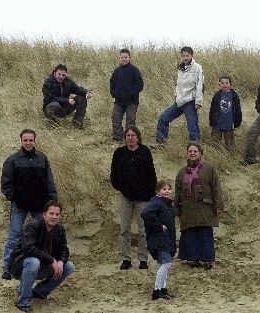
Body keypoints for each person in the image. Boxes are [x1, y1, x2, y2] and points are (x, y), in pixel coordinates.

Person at [0, 129, 58, 280]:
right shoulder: (13, 160)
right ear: (21, 141)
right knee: (15, 236)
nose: (28, 143)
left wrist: (52, 200)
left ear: (34, 140)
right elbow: (6, 183)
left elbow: (49, 181)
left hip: (40, 205)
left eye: (30, 140)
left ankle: (46, 265)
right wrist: (13, 197)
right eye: (25, 140)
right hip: (20, 205)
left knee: (44, 235)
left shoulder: (42, 158)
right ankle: (7, 268)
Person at [8, 200, 74, 312]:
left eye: (57, 214)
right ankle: (23, 301)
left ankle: (39, 292)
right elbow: (29, 249)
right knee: (34, 262)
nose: (54, 217)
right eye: (51, 213)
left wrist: (61, 262)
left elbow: (64, 249)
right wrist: (52, 260)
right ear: (44, 214)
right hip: (21, 266)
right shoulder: (33, 226)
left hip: (43, 266)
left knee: (69, 266)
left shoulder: (60, 229)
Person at [110, 125, 157, 270]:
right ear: (125, 138)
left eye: (133, 135)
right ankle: (126, 259)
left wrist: (149, 193)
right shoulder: (119, 153)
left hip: (143, 198)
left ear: (138, 137)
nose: (130, 138)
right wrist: (119, 187)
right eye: (128, 136)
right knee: (125, 229)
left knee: (143, 230)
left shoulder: (145, 151)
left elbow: (151, 175)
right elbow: (114, 174)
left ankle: (143, 259)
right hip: (125, 196)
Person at [175, 142, 224, 270]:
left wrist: (219, 205)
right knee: (190, 234)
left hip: (205, 209)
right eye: (190, 151)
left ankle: (210, 261)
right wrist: (177, 210)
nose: (192, 153)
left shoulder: (209, 168)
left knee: (205, 235)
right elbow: (178, 192)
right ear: (187, 153)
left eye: (195, 151)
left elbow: (216, 188)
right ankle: (194, 259)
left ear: (200, 153)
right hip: (188, 209)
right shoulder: (181, 172)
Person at [156, 46, 204, 144]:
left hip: (190, 101)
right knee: (163, 118)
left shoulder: (197, 68)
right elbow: (179, 84)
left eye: (187, 56)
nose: (185, 58)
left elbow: (200, 85)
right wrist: (176, 95)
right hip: (179, 101)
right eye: (183, 56)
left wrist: (198, 101)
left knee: (192, 126)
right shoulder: (180, 68)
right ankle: (161, 143)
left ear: (192, 55)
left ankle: (195, 146)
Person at [141, 180, 176, 300]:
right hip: (160, 239)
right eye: (164, 189)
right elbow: (145, 213)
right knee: (166, 263)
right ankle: (156, 291)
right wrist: (159, 226)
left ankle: (163, 289)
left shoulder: (165, 203)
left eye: (168, 189)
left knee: (165, 263)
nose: (167, 191)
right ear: (158, 191)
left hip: (166, 239)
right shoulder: (157, 202)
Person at [42, 64, 93, 129]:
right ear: (55, 73)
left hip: (65, 108)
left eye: (63, 75)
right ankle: (53, 123)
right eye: (59, 74)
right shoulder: (48, 82)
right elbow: (50, 99)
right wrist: (67, 100)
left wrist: (86, 93)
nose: (61, 77)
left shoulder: (68, 81)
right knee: (54, 105)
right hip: (50, 109)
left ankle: (77, 123)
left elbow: (77, 89)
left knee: (82, 97)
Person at [110, 48, 144, 142]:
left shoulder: (134, 70)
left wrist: (132, 93)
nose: (124, 59)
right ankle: (117, 138)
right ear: (119, 58)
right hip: (119, 101)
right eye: (122, 57)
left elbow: (140, 84)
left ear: (129, 58)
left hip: (132, 101)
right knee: (115, 118)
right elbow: (112, 83)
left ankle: (130, 139)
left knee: (130, 121)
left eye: (126, 57)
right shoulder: (116, 71)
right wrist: (114, 94)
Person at [208, 75, 242, 152]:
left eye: (227, 83)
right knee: (215, 143)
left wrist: (237, 121)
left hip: (229, 124)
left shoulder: (234, 96)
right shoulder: (217, 96)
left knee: (230, 144)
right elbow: (212, 109)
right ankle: (216, 157)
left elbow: (238, 110)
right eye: (222, 83)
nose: (224, 85)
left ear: (230, 84)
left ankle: (230, 159)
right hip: (217, 124)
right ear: (219, 84)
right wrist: (212, 121)